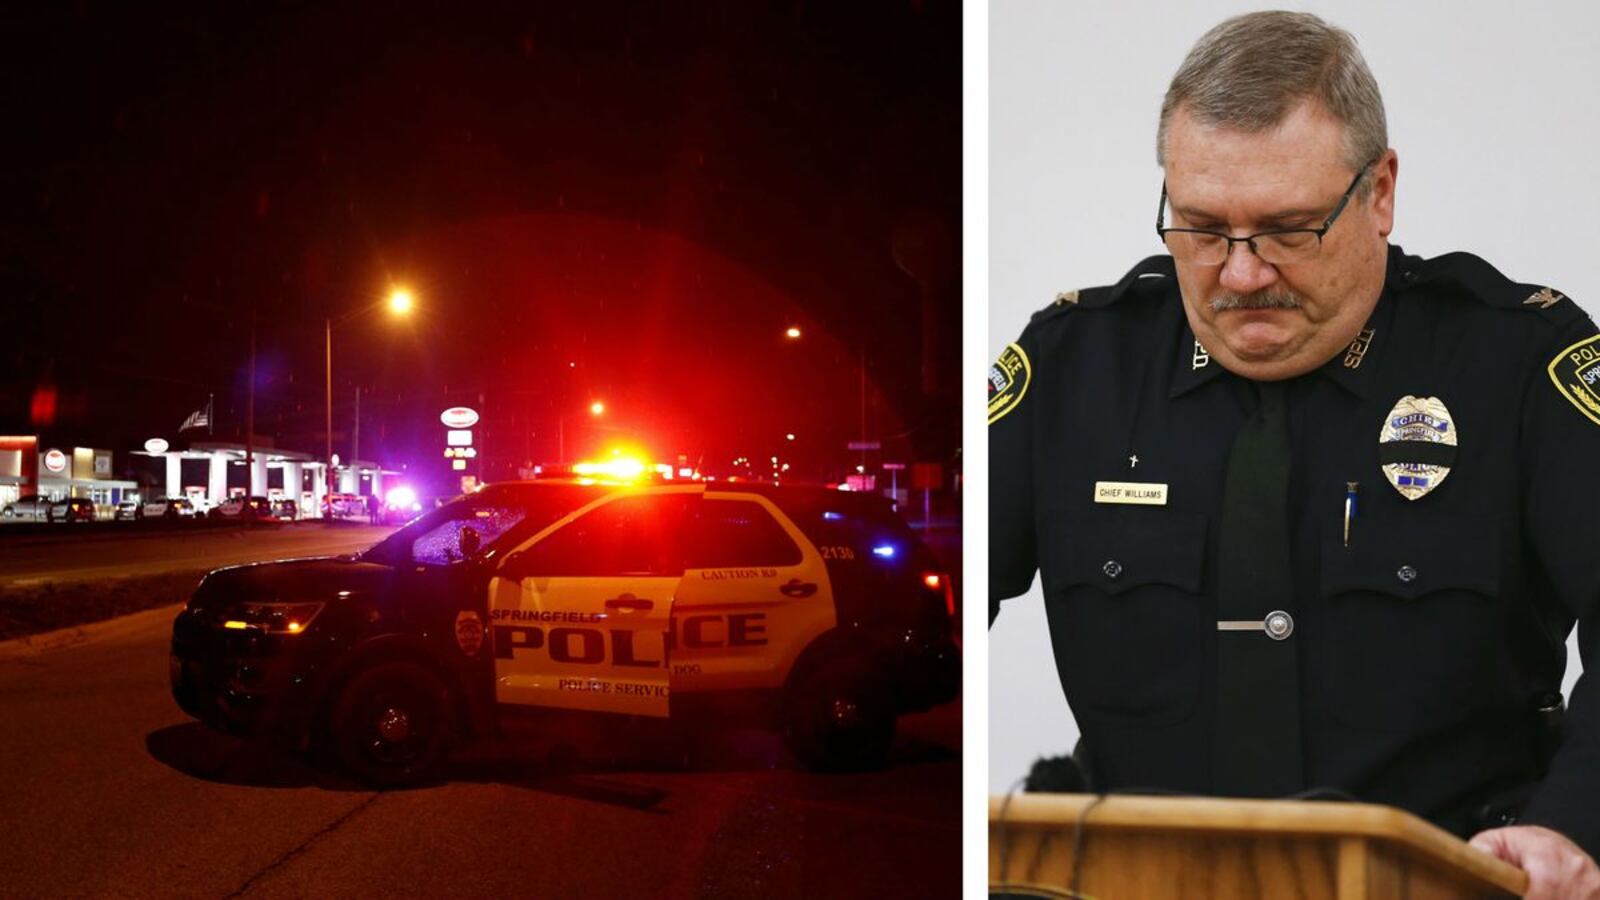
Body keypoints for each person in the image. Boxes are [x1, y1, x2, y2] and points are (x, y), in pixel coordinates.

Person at [989, 11, 1600, 898]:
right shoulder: (1071, 369)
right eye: (1202, 228)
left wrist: (1574, 824)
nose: (1241, 274)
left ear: (1380, 192)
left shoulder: (1518, 366)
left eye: (1288, 230)